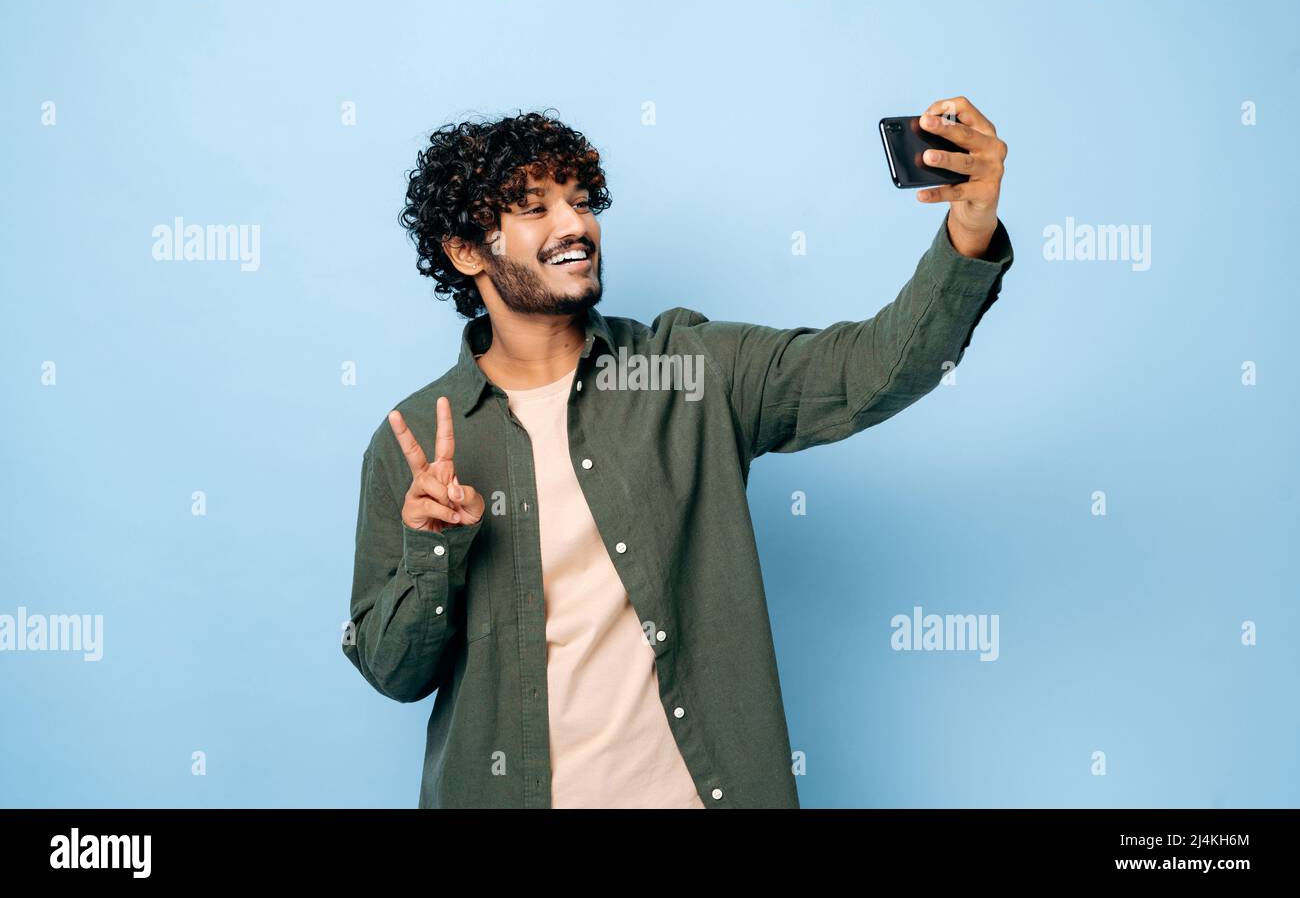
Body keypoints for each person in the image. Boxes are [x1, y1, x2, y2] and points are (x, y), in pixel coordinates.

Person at [341, 101, 1014, 808]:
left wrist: (968, 230)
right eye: (534, 209)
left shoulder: (688, 369)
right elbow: (393, 672)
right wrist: (434, 552)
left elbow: (872, 370)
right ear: (467, 250)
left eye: (580, 201)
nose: (576, 226)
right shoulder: (416, 440)